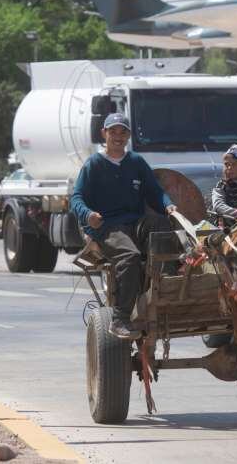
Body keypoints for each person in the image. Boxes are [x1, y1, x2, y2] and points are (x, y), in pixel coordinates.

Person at [70, 112, 177, 339]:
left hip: (134, 222)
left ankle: (167, 290)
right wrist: (88, 215)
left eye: (123, 132)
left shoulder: (136, 162)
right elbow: (76, 198)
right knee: (129, 257)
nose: (118, 136)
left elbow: (155, 193)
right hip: (107, 225)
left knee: (162, 226)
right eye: (113, 132)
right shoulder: (94, 164)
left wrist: (168, 206)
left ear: (128, 135)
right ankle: (120, 318)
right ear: (104, 134)